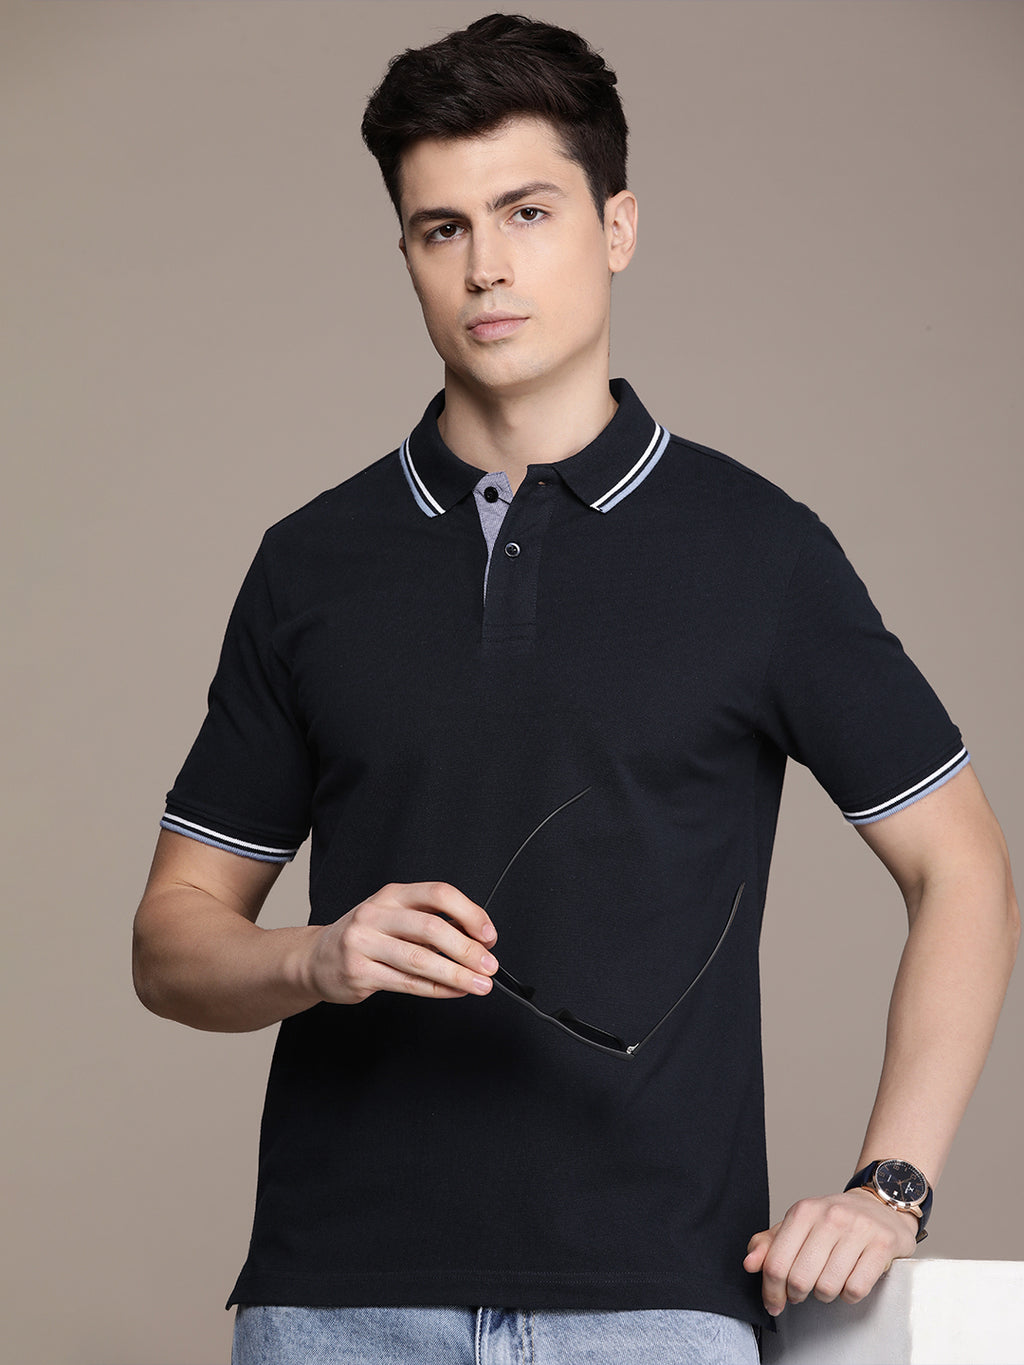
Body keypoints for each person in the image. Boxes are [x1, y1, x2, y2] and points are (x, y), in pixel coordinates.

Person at [132, 14, 1018, 1365]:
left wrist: (889, 1185)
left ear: (617, 227)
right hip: (337, 1304)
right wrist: (314, 956)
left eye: (527, 212)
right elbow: (172, 938)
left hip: (656, 1305)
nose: (485, 265)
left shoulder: (759, 551)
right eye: (441, 229)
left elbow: (963, 867)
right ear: (407, 256)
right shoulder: (311, 563)